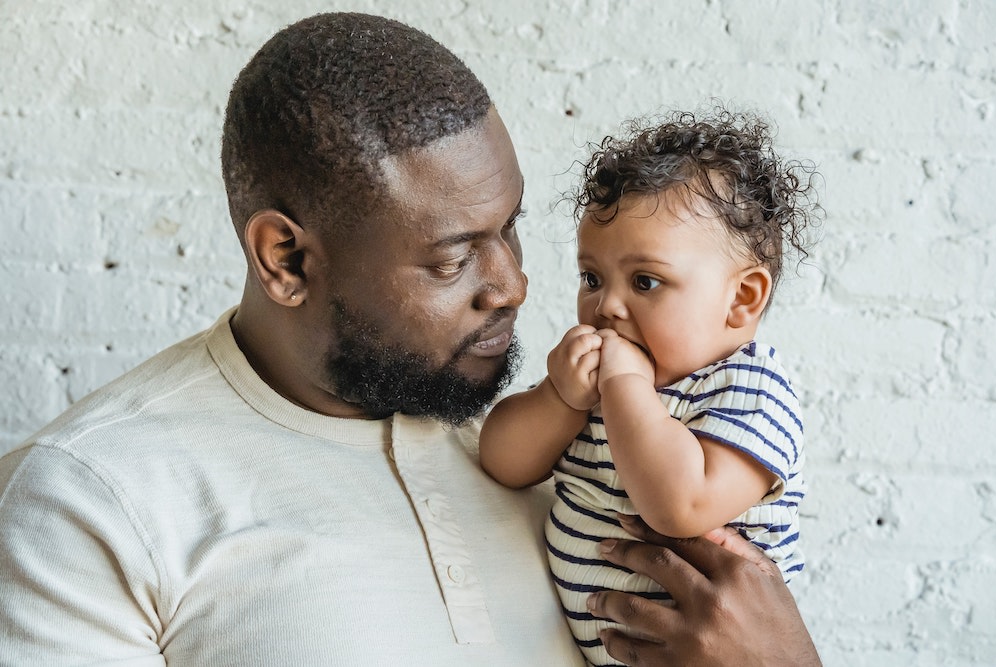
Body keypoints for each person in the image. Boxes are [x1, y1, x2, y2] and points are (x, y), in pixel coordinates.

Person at [0, 13, 821, 666]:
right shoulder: (87, 503)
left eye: (511, 230)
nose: (513, 286)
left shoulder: (559, 418)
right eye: (454, 255)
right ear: (287, 259)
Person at [480, 108, 820, 666]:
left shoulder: (751, 390)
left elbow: (679, 506)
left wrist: (624, 386)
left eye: (646, 281)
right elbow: (501, 461)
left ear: (742, 299)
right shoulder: (598, 387)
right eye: (592, 278)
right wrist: (558, 400)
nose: (607, 306)